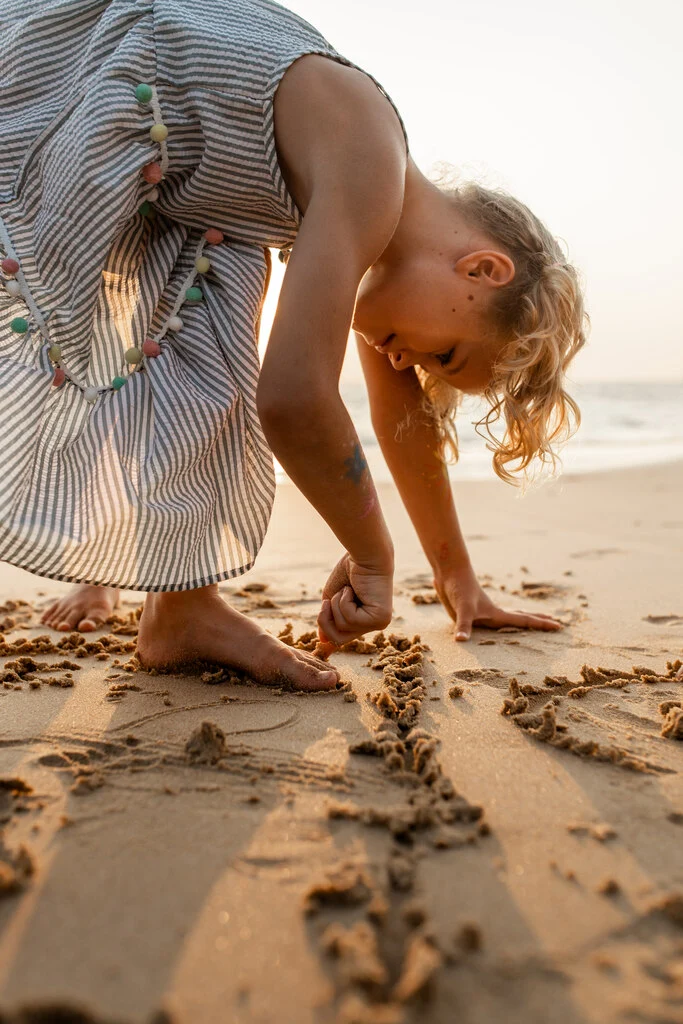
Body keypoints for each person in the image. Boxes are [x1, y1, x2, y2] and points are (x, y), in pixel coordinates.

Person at [0, 0, 587, 691]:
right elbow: (293, 400)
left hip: (165, 174)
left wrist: (456, 578)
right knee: (136, 323)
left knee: (209, 312)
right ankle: (153, 592)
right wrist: (372, 555)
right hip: (91, 77)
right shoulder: (367, 165)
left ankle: (178, 608)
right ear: (481, 269)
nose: (408, 364)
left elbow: (404, 423)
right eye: (445, 355)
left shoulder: (369, 238)